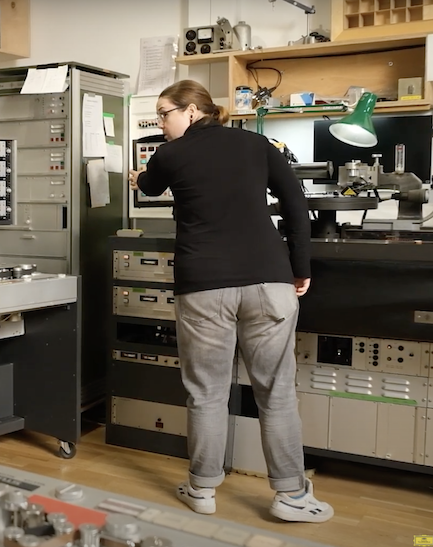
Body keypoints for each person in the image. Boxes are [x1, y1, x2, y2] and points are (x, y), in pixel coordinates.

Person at [128, 80, 332, 523]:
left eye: (164, 113)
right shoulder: (257, 144)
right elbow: (296, 205)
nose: (160, 123)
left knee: (206, 393)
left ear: (193, 110)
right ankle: (292, 496)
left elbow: (148, 187)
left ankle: (202, 489)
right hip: (270, 280)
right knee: (276, 393)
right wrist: (301, 267)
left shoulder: (170, 155)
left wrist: (138, 177)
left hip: (204, 286)